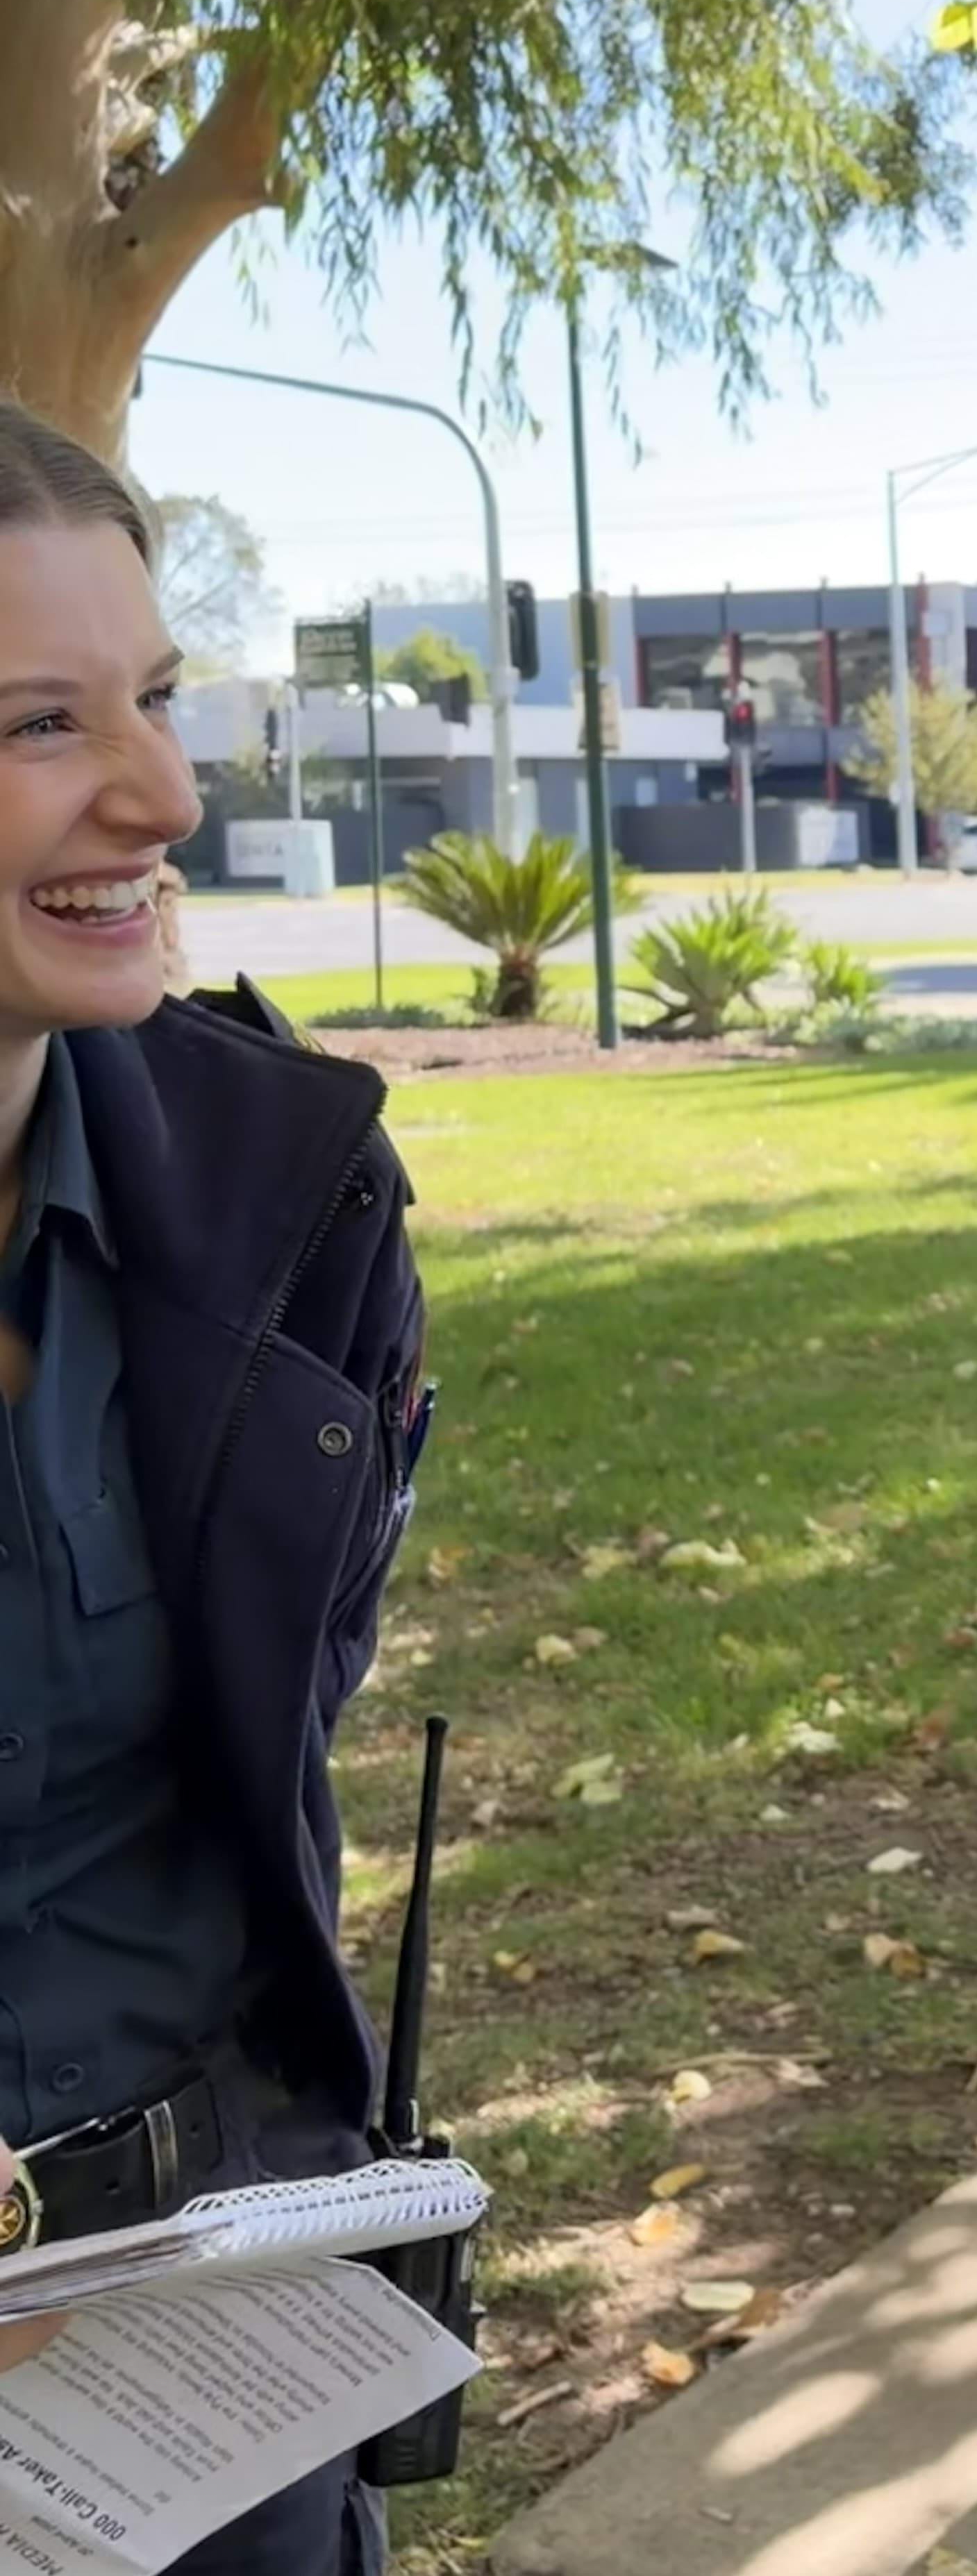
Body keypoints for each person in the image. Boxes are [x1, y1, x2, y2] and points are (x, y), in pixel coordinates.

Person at [0, 403, 430, 2576]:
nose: (162, 795)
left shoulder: (299, 1205)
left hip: (197, 2347)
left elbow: (277, 1749)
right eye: (37, 723)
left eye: (156, 700)